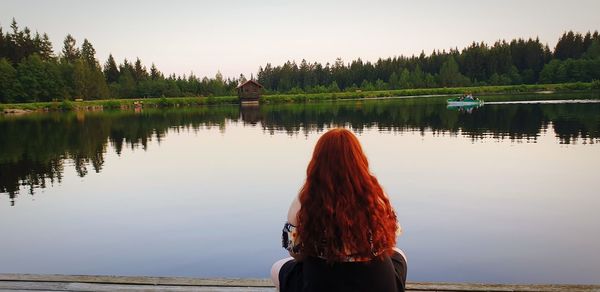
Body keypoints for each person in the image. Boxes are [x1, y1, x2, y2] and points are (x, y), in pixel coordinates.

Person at [270, 128, 407, 292]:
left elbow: (296, 254)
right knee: (399, 255)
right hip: (376, 282)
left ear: (318, 160)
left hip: (322, 282)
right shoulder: (377, 196)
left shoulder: (303, 201)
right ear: (358, 158)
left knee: (277, 268)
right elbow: (389, 242)